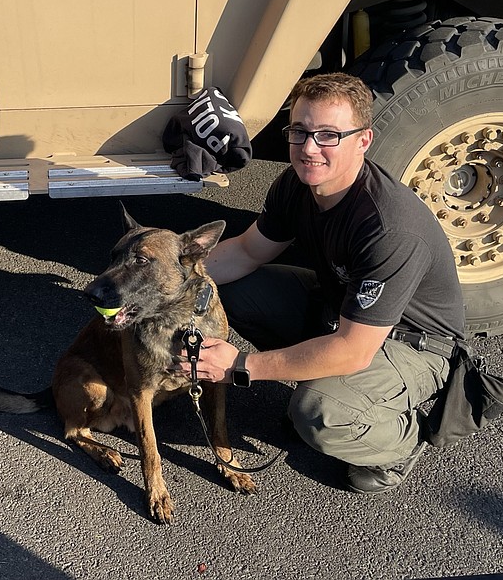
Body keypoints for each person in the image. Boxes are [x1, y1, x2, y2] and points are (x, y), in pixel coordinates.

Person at [188, 73, 465, 494]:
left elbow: (354, 349)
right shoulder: (297, 184)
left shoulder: (389, 227)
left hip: (410, 344)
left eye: (328, 135)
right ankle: (325, 380)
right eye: (299, 132)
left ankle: (399, 444)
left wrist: (241, 367)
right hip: (339, 308)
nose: (308, 148)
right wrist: (169, 281)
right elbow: (246, 252)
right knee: (228, 292)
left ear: (363, 140)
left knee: (319, 413)